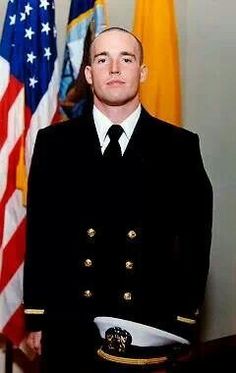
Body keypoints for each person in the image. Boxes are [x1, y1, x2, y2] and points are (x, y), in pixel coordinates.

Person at [23, 27, 213, 373]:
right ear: (88, 74)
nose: (114, 68)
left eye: (126, 58)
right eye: (102, 58)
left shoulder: (178, 147)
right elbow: (41, 235)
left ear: (142, 72)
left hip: (144, 325)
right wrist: (37, 316)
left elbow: (195, 241)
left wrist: (183, 319)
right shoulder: (54, 144)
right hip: (69, 322)